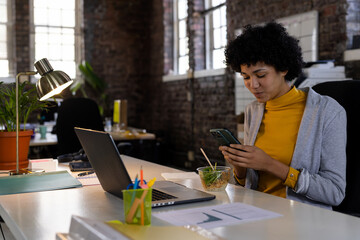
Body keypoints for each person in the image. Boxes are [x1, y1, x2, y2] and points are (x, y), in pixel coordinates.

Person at [221, 22, 346, 209]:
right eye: (246, 77)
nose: (253, 85)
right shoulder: (253, 110)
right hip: (255, 212)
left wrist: (271, 165)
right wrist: (240, 168)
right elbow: (247, 184)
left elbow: (334, 192)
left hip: (302, 220)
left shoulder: (327, 112)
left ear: (283, 68)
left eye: (261, 75)